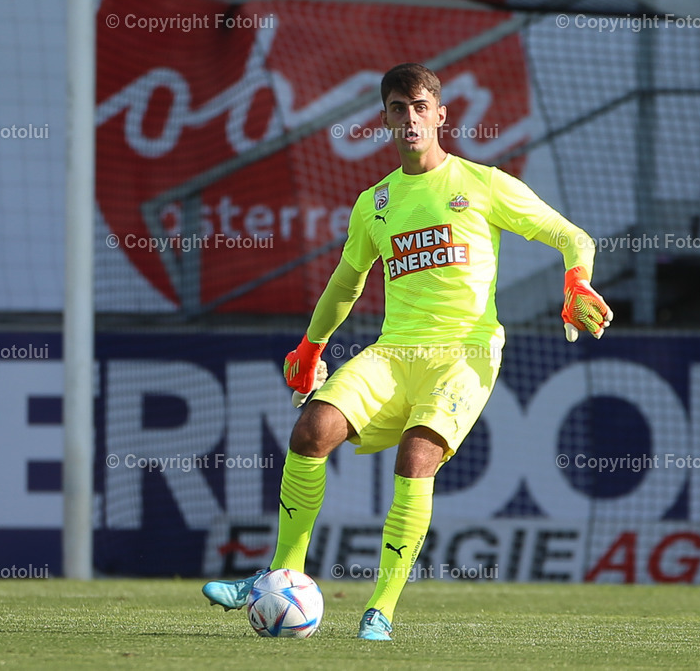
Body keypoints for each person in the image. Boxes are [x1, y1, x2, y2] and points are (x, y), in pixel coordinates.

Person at [202, 62, 612, 641]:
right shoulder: (375, 202)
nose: (411, 118)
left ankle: (381, 609)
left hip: (464, 353)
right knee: (312, 430)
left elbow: (572, 236)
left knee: (416, 458)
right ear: (386, 119)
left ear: (441, 114)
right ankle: (280, 574)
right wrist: (311, 345)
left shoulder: (483, 183)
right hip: (394, 352)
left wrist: (576, 282)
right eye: (399, 108)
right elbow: (346, 283)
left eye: (421, 107)